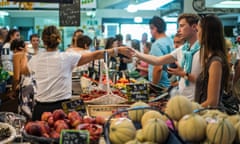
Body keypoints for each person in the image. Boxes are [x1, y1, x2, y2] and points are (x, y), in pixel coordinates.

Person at [28, 25, 131, 120]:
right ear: (59, 40)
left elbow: (25, 71)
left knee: (37, 138)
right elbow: (95, 55)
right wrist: (117, 50)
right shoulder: (67, 57)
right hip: (61, 109)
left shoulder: (34, 60)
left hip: (40, 110)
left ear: (43, 41)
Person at [129, 13, 201, 101]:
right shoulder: (182, 49)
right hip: (182, 99)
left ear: (194, 27)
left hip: (196, 102)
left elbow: (203, 82)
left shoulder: (203, 51)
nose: (178, 30)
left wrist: (183, 74)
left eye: (182, 26)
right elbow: (157, 60)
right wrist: (136, 53)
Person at [194, 14, 230, 107]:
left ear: (206, 33)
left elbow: (212, 102)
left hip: (210, 117)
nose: (197, 34)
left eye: (198, 30)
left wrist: (190, 111)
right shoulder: (209, 59)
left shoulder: (215, 62)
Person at [148, 16, 174, 89]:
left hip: (160, 86)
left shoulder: (157, 44)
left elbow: (158, 67)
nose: (150, 32)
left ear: (154, 28)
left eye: (150, 29)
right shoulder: (171, 41)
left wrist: (153, 88)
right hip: (170, 84)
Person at [12, 39, 35, 119]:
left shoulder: (17, 55)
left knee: (24, 117)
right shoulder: (30, 55)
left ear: (15, 48)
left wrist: (13, 90)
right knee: (32, 114)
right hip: (34, 86)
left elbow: (16, 77)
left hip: (25, 87)